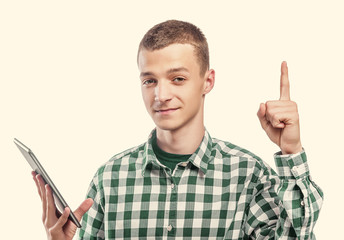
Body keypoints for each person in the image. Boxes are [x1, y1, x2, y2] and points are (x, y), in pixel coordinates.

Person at [32, 20, 323, 239]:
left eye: (178, 79)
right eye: (149, 80)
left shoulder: (249, 176)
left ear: (207, 81)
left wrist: (291, 152)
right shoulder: (110, 179)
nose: (160, 95)